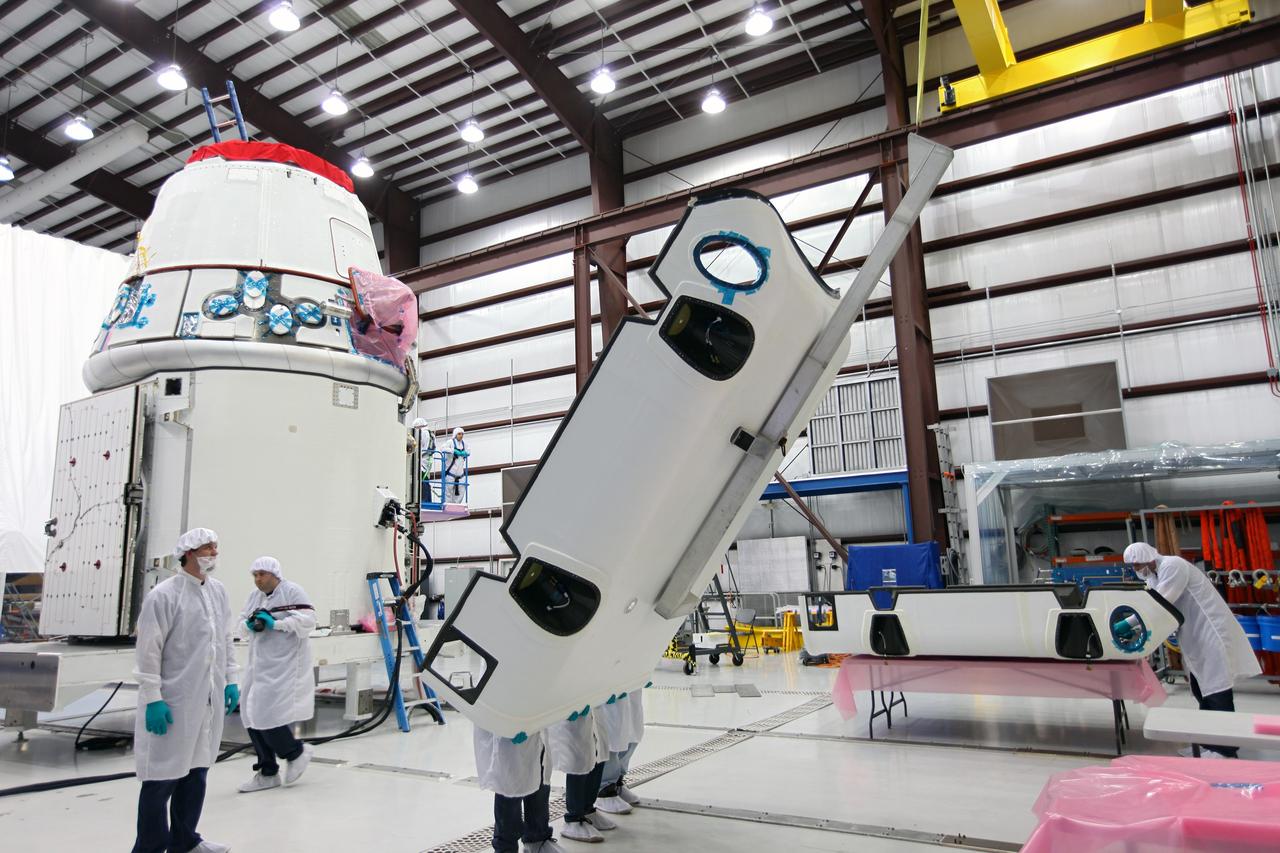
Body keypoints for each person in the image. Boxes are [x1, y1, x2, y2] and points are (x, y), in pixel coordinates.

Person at [132, 528, 239, 853]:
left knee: (196, 772)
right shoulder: (164, 595)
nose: (215, 553)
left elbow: (225, 639)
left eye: (216, 547)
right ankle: (149, 847)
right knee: (162, 777)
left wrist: (231, 677)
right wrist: (153, 698)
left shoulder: (217, 592)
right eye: (209, 548)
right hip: (174, 700)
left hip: (206, 699)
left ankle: (185, 840)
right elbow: (148, 651)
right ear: (189, 552)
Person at [1124, 542, 1261, 758]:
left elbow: (1161, 604)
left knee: (1217, 692)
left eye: (1137, 565)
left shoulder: (1173, 566)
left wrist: (1128, 623)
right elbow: (1155, 609)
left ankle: (1226, 750)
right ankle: (1208, 743)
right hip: (1193, 638)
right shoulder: (1153, 576)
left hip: (1210, 633)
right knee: (1201, 692)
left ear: (1148, 558)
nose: (1136, 570)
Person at [235, 556, 317, 793]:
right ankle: (268, 771)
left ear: (275, 575)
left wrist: (276, 624)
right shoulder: (255, 597)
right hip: (259, 664)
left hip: (285, 666)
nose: (258, 580)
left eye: (262, 574)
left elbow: (308, 621)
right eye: (255, 575)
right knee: (250, 714)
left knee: (266, 715)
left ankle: (296, 752)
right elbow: (240, 621)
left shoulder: (292, 592)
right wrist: (248, 625)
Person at [474, 726, 565, 853]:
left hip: (535, 726)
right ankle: (505, 848)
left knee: (540, 780)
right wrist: (509, 724)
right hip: (507, 732)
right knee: (510, 790)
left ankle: (537, 838)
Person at [549, 709, 615, 842]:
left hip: (593, 706)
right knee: (578, 762)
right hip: (571, 708)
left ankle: (587, 809)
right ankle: (573, 818)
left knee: (598, 753)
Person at [596, 690, 645, 814]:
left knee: (632, 731)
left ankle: (617, 781)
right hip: (610, 685)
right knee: (612, 735)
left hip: (630, 682)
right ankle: (604, 788)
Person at [446, 426, 469, 502]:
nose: (461, 435)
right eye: (459, 434)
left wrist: (465, 453)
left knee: (461, 491)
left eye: (462, 434)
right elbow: (443, 448)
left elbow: (469, 451)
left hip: (461, 474)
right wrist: (453, 451)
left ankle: (456, 506)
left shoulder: (464, 443)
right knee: (448, 491)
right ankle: (448, 506)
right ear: (455, 434)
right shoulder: (450, 442)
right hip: (450, 473)